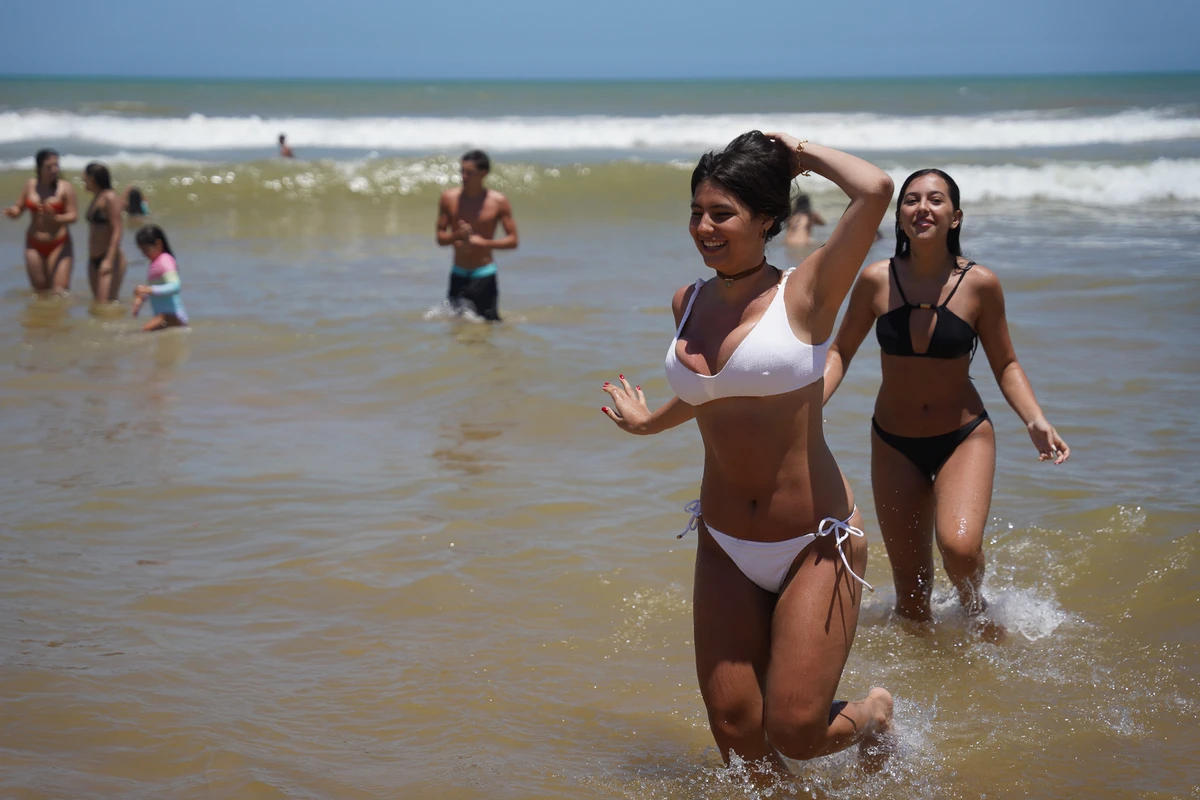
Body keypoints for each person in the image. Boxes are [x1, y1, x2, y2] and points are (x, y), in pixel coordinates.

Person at [600, 131, 895, 771]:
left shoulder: (807, 291)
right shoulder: (689, 301)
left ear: (766, 220)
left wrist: (800, 153)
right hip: (726, 540)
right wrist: (650, 422)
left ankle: (872, 713)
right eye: (696, 213)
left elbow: (874, 191)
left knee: (794, 732)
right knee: (736, 731)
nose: (703, 227)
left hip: (814, 540)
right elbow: (713, 394)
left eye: (722, 214)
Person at [822, 168, 1070, 635]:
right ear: (899, 217)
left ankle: (981, 616)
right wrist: (812, 401)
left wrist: (1034, 419)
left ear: (955, 217)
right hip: (893, 442)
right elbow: (839, 351)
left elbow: (1007, 364)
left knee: (959, 547)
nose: (922, 208)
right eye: (911, 200)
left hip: (963, 436)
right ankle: (935, 680)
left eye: (935, 200)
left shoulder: (981, 285)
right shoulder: (877, 281)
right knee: (911, 600)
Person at [435, 149, 519, 322]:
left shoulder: (498, 201)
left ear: (484, 173)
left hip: (484, 275)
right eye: (462, 171)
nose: (463, 177)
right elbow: (440, 238)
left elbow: (513, 241)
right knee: (456, 330)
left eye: (469, 173)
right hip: (457, 274)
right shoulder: (448, 198)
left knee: (487, 329)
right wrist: (456, 235)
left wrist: (484, 243)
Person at [3, 148, 77, 293]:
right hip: (33, 243)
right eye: (49, 167)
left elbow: (73, 216)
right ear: (39, 168)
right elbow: (19, 207)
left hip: (59, 243)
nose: (54, 170)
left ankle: (59, 315)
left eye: (56, 165)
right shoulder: (30, 185)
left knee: (59, 291)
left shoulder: (65, 188)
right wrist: (14, 212)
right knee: (40, 290)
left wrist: (55, 218)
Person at [83, 162, 127, 304]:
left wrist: (108, 259)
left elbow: (117, 228)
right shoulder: (96, 197)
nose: (83, 181)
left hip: (109, 258)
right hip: (93, 259)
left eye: (85, 178)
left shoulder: (110, 197)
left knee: (106, 304)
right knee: (98, 304)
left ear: (93, 178)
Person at [132, 224, 188, 331]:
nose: (144, 254)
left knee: (143, 331)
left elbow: (175, 286)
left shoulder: (165, 260)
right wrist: (141, 297)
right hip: (164, 316)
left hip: (173, 317)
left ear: (158, 244)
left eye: (146, 249)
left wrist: (149, 290)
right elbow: (156, 289)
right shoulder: (155, 264)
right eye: (142, 250)